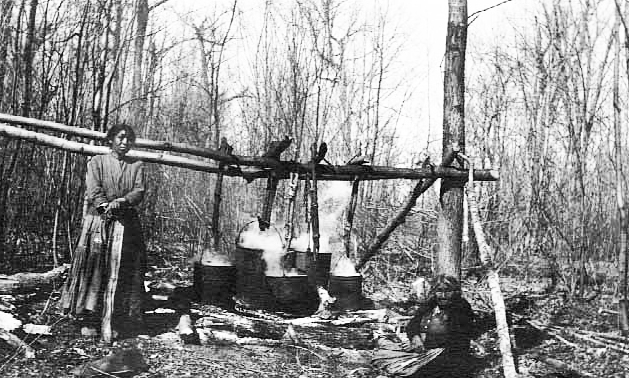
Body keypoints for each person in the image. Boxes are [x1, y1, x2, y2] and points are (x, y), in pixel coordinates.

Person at [61, 123, 147, 340]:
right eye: (120, 138)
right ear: (110, 140)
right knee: (94, 269)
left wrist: (124, 201)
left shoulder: (136, 165)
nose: (124, 142)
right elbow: (93, 189)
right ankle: (88, 319)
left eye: (128, 139)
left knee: (122, 272)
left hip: (126, 225)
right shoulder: (97, 162)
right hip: (98, 222)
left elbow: (139, 190)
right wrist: (104, 206)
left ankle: (114, 319)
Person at [405, 274, 476, 377]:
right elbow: (412, 324)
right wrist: (415, 337)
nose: (443, 295)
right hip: (425, 352)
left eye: (447, 291)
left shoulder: (461, 307)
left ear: (455, 292)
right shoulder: (431, 303)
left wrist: (427, 344)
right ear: (434, 291)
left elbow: (458, 337)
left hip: (450, 356)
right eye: (439, 291)